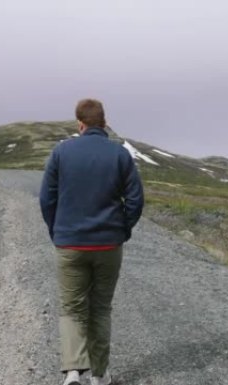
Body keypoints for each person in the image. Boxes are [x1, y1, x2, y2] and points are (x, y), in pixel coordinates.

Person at [40, 98, 144, 385]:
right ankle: (99, 375)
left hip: (70, 244)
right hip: (109, 245)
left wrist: (57, 231)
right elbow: (135, 199)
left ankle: (73, 371)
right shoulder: (120, 155)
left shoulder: (61, 152)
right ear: (104, 122)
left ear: (80, 124)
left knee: (72, 307)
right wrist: (123, 229)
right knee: (100, 308)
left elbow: (47, 198)